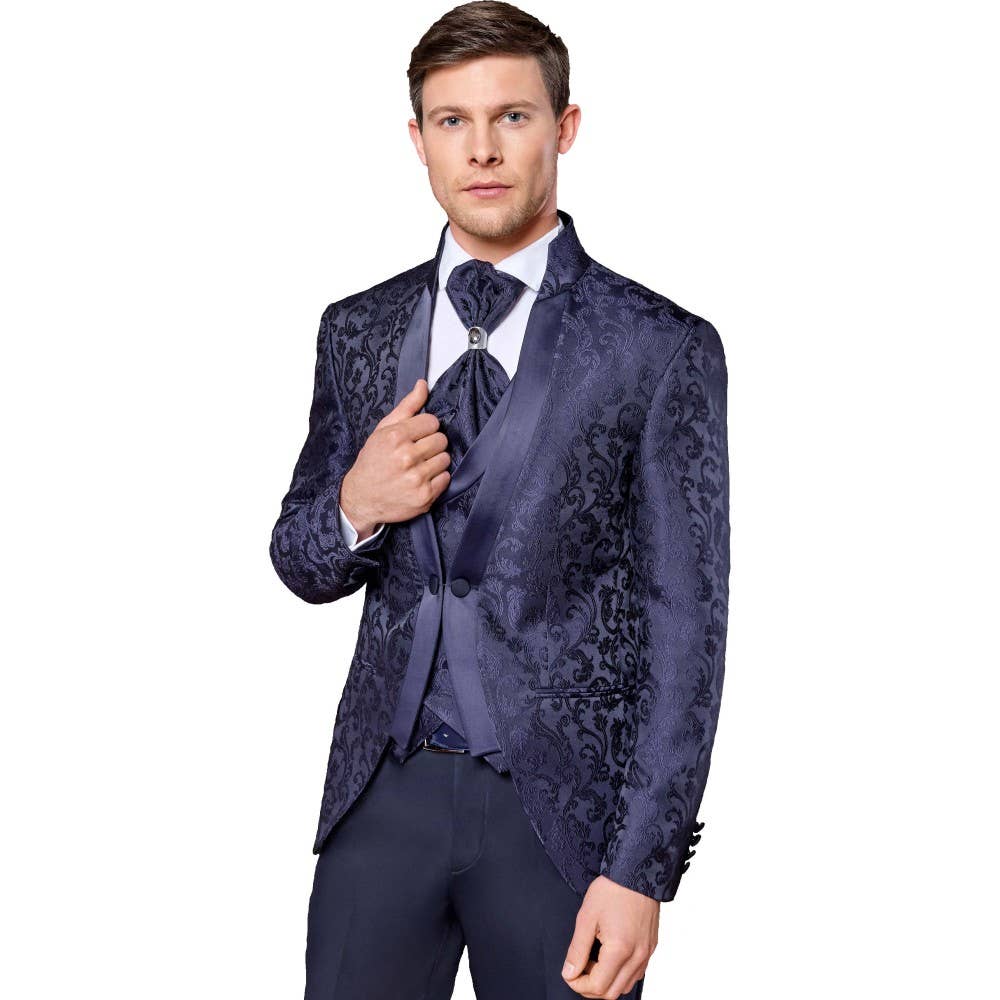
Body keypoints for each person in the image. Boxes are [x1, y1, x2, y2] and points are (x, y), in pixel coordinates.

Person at [269, 3, 730, 997]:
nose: (480, 148)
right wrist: (355, 503)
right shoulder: (356, 327)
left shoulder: (658, 347)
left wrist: (642, 870)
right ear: (418, 138)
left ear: (564, 127)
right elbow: (300, 559)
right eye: (452, 121)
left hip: (564, 822)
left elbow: (687, 631)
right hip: (378, 803)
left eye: (511, 116)